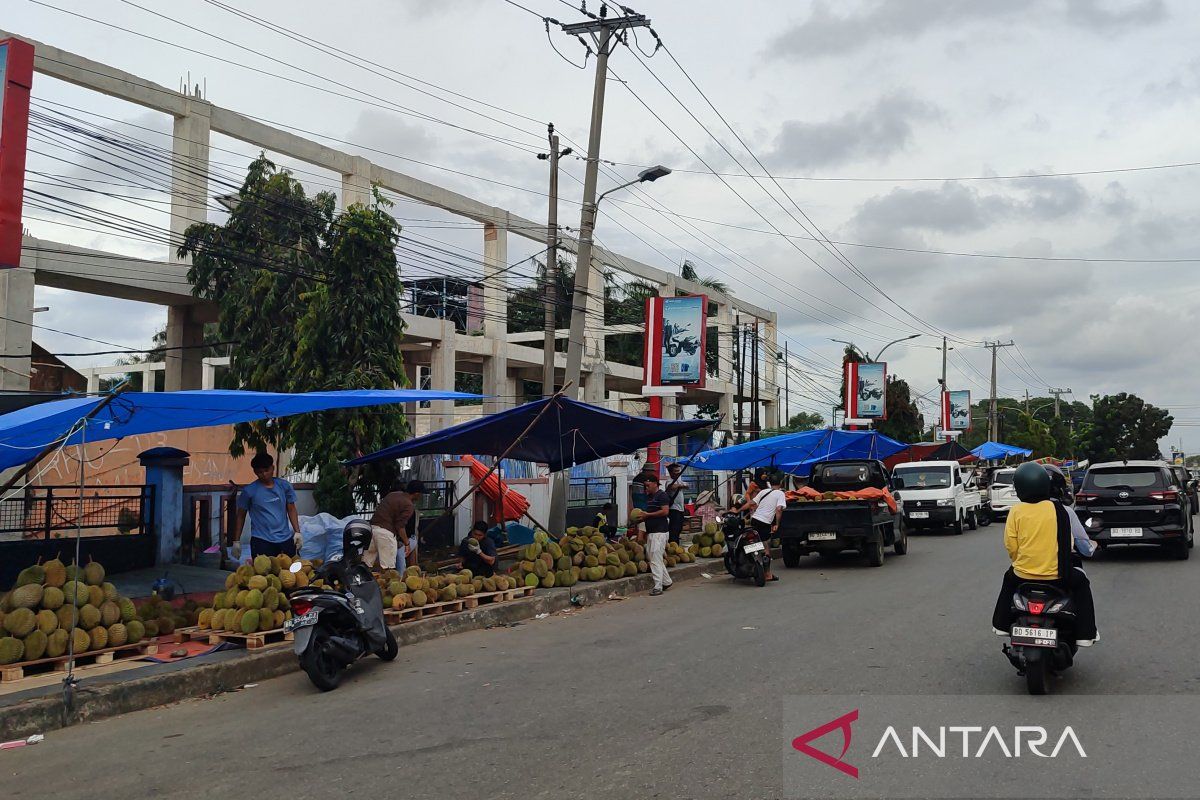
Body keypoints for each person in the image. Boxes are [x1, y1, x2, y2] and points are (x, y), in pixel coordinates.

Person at [991, 462, 1098, 646]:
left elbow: (1011, 545)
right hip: (1058, 577)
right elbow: (1068, 544)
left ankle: (1000, 625)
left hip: (1022, 576)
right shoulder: (1060, 510)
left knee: (1008, 580)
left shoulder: (1016, 511)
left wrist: (1020, 562)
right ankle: (1085, 634)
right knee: (1081, 583)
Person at [235, 453, 301, 559]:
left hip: (285, 538)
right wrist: (236, 541)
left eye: (266, 470)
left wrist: (297, 532)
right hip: (261, 540)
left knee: (291, 571)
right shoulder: (249, 491)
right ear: (255, 472)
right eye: (260, 472)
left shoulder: (284, 486)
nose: (264, 474)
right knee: (263, 573)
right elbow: (241, 516)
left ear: (273, 468)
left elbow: (291, 509)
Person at [735, 471, 784, 582]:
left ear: (770, 482)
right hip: (765, 523)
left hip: (755, 520)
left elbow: (751, 503)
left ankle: (751, 564)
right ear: (780, 483)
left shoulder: (763, 492)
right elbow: (779, 509)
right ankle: (767, 574)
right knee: (766, 548)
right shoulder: (780, 494)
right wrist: (777, 523)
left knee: (754, 542)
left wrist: (738, 510)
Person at [367, 480, 424, 572]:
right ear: (417, 494)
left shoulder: (392, 495)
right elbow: (400, 526)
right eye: (421, 494)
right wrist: (407, 543)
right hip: (385, 533)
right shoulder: (409, 505)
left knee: (366, 564)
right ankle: (391, 583)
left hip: (371, 529)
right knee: (389, 569)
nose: (421, 496)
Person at [639, 474, 673, 596]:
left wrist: (648, 515)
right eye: (645, 486)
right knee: (654, 558)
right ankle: (667, 581)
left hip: (659, 532)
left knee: (655, 560)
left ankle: (658, 586)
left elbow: (665, 511)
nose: (646, 488)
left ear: (655, 483)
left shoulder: (662, 495)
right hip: (652, 532)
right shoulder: (650, 497)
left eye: (648, 486)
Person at [665, 463, 689, 544]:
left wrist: (681, 485)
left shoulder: (679, 480)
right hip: (674, 509)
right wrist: (680, 485)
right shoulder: (669, 481)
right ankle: (672, 544)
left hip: (681, 508)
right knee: (674, 529)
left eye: (679, 471)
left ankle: (676, 544)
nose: (678, 473)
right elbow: (671, 487)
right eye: (676, 471)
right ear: (671, 472)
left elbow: (687, 485)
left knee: (679, 528)